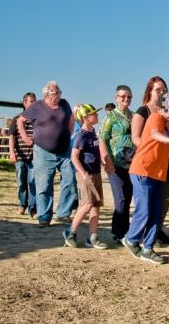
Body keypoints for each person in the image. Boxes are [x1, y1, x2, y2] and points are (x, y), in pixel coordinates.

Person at [122, 92, 169, 265]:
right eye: (168, 110)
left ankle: (148, 247)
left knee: (156, 211)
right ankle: (131, 239)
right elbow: (155, 134)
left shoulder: (166, 122)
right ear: (160, 108)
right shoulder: (155, 117)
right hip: (143, 170)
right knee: (145, 210)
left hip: (158, 172)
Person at [17, 81, 77, 228]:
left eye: (59, 92)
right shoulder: (37, 106)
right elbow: (20, 120)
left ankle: (63, 213)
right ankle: (44, 216)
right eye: (54, 93)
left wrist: (70, 133)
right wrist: (25, 137)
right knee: (44, 185)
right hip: (43, 152)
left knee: (70, 181)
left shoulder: (64, 103)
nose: (57, 95)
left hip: (64, 151)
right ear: (46, 94)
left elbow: (71, 118)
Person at [131, 77, 169, 245]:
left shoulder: (167, 113)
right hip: (147, 163)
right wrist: (151, 151)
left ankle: (156, 231)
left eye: (163, 89)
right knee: (145, 205)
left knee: (164, 199)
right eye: (158, 89)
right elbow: (138, 138)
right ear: (150, 91)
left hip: (162, 163)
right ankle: (137, 237)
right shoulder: (144, 112)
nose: (161, 92)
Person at [63, 104, 113, 249]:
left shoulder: (93, 133)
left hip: (95, 173)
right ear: (85, 118)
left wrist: (104, 163)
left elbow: (96, 151)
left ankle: (93, 237)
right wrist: (84, 174)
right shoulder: (81, 135)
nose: (96, 115)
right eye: (93, 114)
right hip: (86, 175)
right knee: (86, 204)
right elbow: (74, 157)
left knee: (96, 205)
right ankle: (70, 232)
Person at [99, 85, 136, 244]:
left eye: (128, 97)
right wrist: (106, 160)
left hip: (133, 163)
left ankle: (122, 230)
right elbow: (102, 138)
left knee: (128, 198)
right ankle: (120, 233)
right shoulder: (110, 117)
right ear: (116, 97)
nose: (126, 99)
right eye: (122, 96)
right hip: (115, 163)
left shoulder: (134, 116)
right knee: (120, 198)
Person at [9, 92, 37, 217]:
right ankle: (22, 204)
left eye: (35, 101)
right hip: (20, 155)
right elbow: (12, 137)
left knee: (32, 182)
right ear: (24, 103)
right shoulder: (16, 118)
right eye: (31, 101)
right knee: (21, 182)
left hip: (34, 156)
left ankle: (33, 208)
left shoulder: (38, 119)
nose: (33, 103)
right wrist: (11, 153)